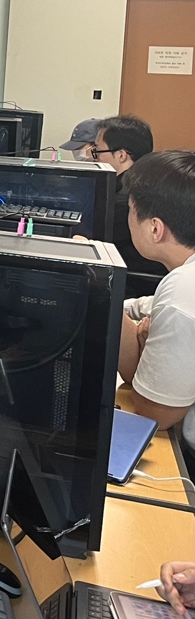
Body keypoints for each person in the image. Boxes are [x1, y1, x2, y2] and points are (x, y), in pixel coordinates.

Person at [116, 151, 195, 453]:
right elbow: (150, 306)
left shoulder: (182, 290)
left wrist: (102, 294)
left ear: (154, 228)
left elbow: (155, 415)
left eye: (131, 210)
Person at [92, 115, 164, 279]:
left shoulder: (124, 201)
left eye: (97, 151)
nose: (93, 158)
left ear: (121, 155)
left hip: (132, 282)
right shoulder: (155, 179)